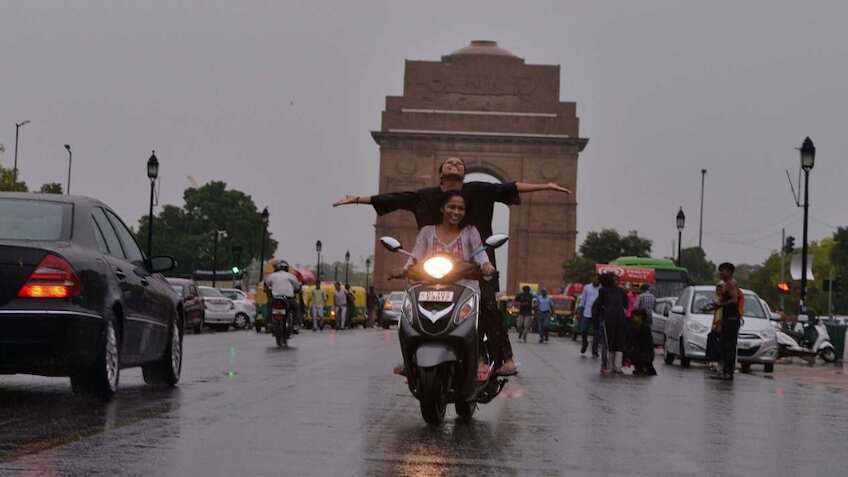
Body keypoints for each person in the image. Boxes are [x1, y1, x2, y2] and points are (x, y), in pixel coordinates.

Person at [334, 156, 573, 375]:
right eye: (450, 163)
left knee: (488, 307)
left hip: (478, 261)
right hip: (437, 264)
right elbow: (395, 199)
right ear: (441, 172)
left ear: (464, 174)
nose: (455, 165)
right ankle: (412, 358)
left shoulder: (479, 190)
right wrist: (356, 199)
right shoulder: (426, 196)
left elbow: (510, 187)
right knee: (415, 305)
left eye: (460, 164)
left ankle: (503, 359)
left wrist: (546, 186)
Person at [396, 192, 496, 380]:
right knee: (407, 315)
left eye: (460, 208)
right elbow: (416, 255)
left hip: (464, 287)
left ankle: (479, 358)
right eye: (451, 207)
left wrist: (486, 265)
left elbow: (480, 253)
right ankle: (408, 358)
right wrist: (406, 268)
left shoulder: (470, 231)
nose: (456, 212)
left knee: (479, 316)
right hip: (430, 285)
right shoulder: (427, 231)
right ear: (442, 208)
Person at [711, 262, 744, 380]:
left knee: (729, 346)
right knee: (724, 346)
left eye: (723, 271)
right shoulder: (726, 284)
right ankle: (725, 371)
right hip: (727, 319)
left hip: (732, 320)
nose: (720, 273)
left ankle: (728, 372)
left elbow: (734, 300)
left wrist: (721, 304)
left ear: (729, 272)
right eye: (720, 270)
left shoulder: (731, 284)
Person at [593, 273, 629, 374]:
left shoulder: (607, 291)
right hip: (614, 319)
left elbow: (599, 305)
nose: (617, 281)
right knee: (614, 342)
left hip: (613, 319)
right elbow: (625, 304)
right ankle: (613, 366)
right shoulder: (614, 290)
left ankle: (612, 366)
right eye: (615, 279)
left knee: (613, 342)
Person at [264, 261, 302, 333]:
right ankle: (295, 325)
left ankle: (269, 323)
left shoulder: (273, 275)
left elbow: (266, 283)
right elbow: (297, 287)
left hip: (275, 298)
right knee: (296, 308)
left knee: (269, 307)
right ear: (287, 268)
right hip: (288, 298)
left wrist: (268, 291)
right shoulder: (291, 276)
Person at [628, 309, 657, 376]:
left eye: (634, 316)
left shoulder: (645, 328)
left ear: (640, 317)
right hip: (641, 353)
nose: (632, 318)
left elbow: (644, 345)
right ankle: (640, 367)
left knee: (633, 353)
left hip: (645, 354)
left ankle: (642, 367)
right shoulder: (634, 326)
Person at [578, 275, 601, 356]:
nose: (596, 280)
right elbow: (583, 299)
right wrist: (580, 310)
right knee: (583, 330)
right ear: (592, 279)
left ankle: (594, 350)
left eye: (598, 279)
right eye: (595, 279)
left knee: (596, 333)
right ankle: (585, 343)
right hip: (586, 312)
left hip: (597, 314)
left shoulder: (602, 288)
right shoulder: (587, 287)